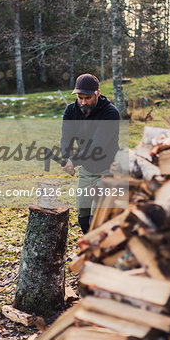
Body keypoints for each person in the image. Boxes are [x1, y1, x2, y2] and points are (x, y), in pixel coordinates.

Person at [60, 73, 120, 234]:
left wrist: (75, 160)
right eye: (80, 98)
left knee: (97, 217)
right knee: (83, 217)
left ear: (97, 94)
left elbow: (97, 146)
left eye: (87, 98)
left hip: (108, 171)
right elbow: (66, 137)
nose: (83, 102)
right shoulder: (71, 111)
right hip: (86, 171)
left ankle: (106, 250)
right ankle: (94, 250)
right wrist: (66, 159)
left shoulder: (110, 113)